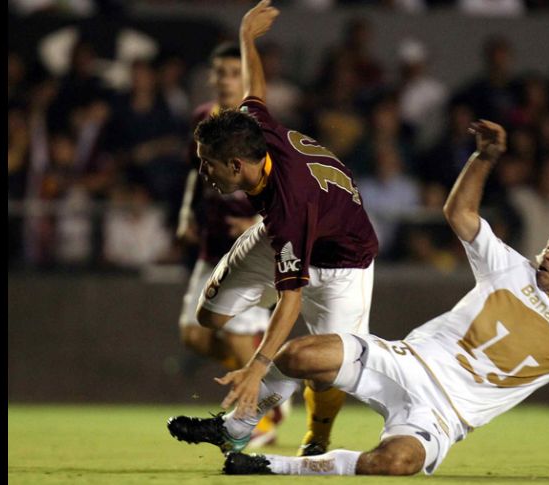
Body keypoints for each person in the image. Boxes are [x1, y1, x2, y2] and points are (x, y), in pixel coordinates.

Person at [167, 119, 549, 479]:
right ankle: (237, 427)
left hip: (444, 416)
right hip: (406, 362)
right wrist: (483, 158)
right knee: (299, 353)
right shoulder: (511, 267)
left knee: (396, 463)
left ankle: (274, 466)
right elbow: (459, 212)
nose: (547, 253)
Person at [169, 0, 379, 457]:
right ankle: (255, 391)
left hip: (343, 262)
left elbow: (293, 296)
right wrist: (247, 37)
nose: (204, 175)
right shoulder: (254, 128)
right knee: (209, 315)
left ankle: (294, 433)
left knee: (323, 367)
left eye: (209, 167)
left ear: (236, 164)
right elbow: (256, 91)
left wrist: (258, 364)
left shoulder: (290, 203)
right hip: (286, 237)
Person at [175, 42, 280, 447]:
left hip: (250, 248)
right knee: (195, 336)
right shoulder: (203, 118)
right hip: (211, 243)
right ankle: (268, 388)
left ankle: (259, 415)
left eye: (232, 73)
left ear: (245, 79)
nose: (223, 80)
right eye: (218, 72)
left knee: (236, 332)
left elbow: (281, 183)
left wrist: (257, 222)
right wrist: (187, 212)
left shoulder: (257, 126)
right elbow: (192, 171)